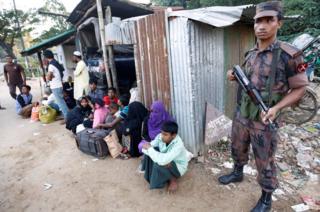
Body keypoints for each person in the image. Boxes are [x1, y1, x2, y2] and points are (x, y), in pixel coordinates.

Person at [218, 2, 308, 212]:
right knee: (237, 147)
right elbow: (245, 79)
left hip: (266, 119)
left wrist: (277, 109)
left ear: (279, 23)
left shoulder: (290, 55)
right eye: (259, 20)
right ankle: (237, 172)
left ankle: (266, 199)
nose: (262, 26)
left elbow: (300, 89)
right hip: (243, 114)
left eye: (269, 20)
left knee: (264, 160)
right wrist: (232, 76)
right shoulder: (251, 54)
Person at [141, 121, 188, 193]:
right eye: (162, 133)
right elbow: (148, 147)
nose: (162, 136)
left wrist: (150, 149)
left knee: (159, 163)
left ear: (173, 135)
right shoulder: (160, 136)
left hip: (178, 166)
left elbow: (162, 160)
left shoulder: (179, 145)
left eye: (165, 134)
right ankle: (152, 175)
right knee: (152, 153)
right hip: (166, 158)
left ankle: (172, 179)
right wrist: (149, 148)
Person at [44, 50, 69, 122]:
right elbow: (61, 72)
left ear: (46, 57)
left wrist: (49, 77)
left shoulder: (51, 65)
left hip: (56, 86)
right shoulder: (56, 62)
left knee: (61, 103)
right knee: (61, 102)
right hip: (59, 84)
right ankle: (66, 115)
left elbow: (48, 77)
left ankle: (67, 118)